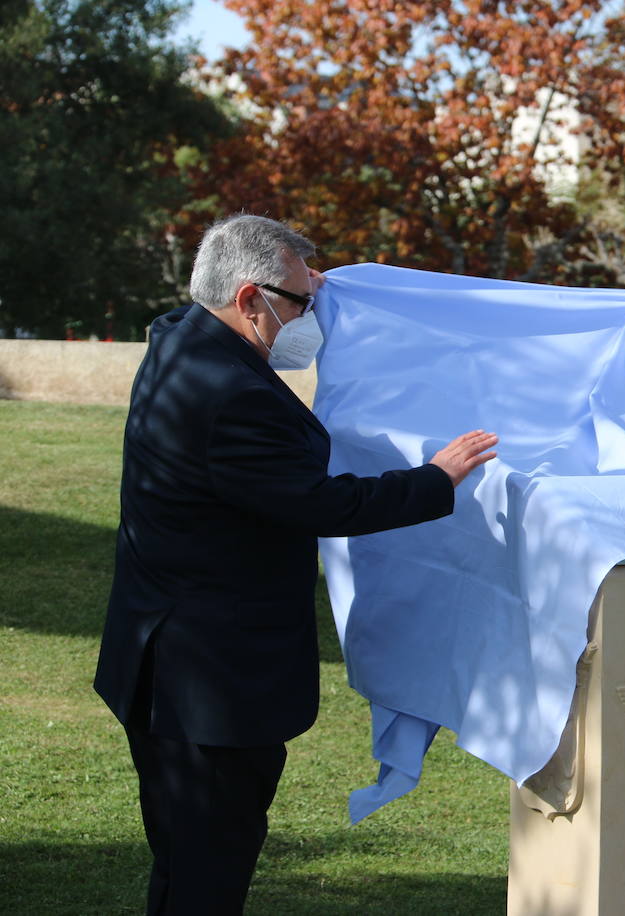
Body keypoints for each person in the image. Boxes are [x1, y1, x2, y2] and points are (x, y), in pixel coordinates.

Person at [93, 214, 499, 914]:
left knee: (185, 860)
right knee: (210, 867)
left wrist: (311, 283)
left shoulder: (180, 338)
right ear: (249, 300)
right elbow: (320, 505)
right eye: (303, 303)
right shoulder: (233, 396)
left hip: (161, 658)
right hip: (205, 686)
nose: (313, 314)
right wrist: (436, 478)